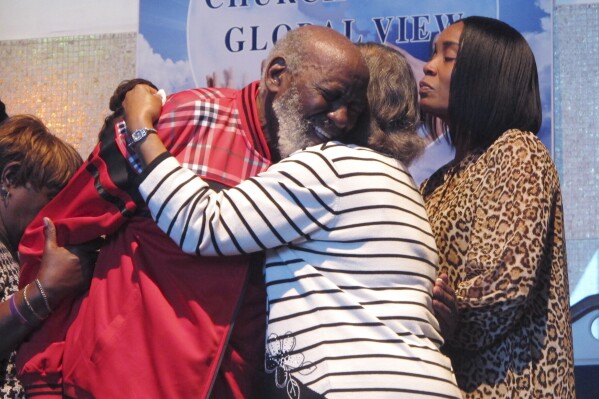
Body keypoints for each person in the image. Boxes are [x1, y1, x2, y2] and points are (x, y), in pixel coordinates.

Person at [15, 26, 369, 398]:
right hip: (113, 385)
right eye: (330, 96)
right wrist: (43, 379)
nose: (343, 118)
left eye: (355, 108)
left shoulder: (324, 174)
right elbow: (58, 232)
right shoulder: (182, 119)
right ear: (276, 75)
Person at [122, 42, 460, 399]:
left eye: (344, 95)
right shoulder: (398, 180)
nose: (336, 113)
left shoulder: (330, 167)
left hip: (351, 385)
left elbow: (202, 224)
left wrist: (142, 129)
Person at [418, 16, 575, 398]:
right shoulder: (436, 182)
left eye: (448, 57)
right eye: (432, 54)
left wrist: (442, 317)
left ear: (486, 74)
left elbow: (504, 286)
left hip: (513, 386)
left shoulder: (518, 151)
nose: (428, 65)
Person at [0, 115, 87, 398]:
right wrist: (44, 291)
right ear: (10, 178)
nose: (55, 216)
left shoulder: (14, 251)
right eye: (52, 199)